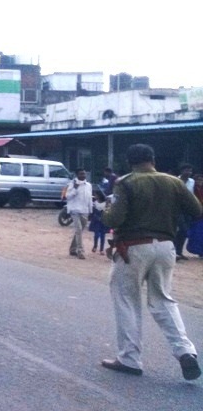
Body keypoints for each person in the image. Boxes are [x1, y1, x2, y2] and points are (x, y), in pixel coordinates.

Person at [100, 143, 202, 380]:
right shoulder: (174, 181)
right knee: (163, 300)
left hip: (133, 248)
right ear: (153, 159)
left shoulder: (125, 182)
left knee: (127, 300)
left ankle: (129, 358)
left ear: (129, 162)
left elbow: (115, 218)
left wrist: (104, 211)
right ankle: (185, 351)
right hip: (166, 247)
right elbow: (196, 210)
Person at [65, 168, 93, 259]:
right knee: (78, 230)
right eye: (81, 174)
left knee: (79, 231)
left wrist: (91, 211)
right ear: (77, 175)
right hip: (75, 210)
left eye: (84, 174)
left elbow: (90, 199)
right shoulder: (72, 184)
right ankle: (80, 251)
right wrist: (75, 189)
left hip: (85, 211)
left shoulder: (88, 185)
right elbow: (67, 196)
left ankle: (72, 249)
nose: (83, 176)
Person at [174, 163, 195, 261]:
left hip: (188, 209)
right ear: (182, 171)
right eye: (186, 170)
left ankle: (179, 251)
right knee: (180, 229)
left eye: (190, 171)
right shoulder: (176, 181)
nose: (188, 172)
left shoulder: (192, 182)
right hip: (178, 208)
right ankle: (174, 252)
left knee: (184, 231)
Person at [89, 189, 108, 255]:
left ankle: (101, 249)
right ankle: (95, 246)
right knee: (97, 235)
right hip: (97, 220)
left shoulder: (105, 203)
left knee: (102, 235)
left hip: (102, 220)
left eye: (96, 195)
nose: (95, 196)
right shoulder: (95, 203)